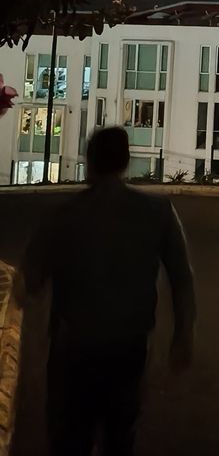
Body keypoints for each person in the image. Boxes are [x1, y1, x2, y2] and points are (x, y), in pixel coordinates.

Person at [20, 126, 196, 456]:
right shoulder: (158, 212)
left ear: (90, 161)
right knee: (120, 437)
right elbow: (182, 278)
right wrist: (183, 335)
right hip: (128, 347)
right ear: (126, 162)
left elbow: (29, 281)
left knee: (69, 439)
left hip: (73, 348)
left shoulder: (61, 215)